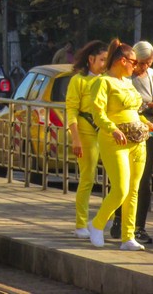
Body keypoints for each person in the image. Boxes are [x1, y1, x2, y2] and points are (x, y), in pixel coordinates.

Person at [87, 39, 153, 251]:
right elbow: (98, 113)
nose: (136, 67)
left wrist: (147, 123)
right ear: (122, 60)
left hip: (137, 139)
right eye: (133, 62)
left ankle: (128, 237)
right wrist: (112, 129)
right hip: (115, 140)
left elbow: (134, 112)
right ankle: (97, 224)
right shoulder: (103, 82)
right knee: (121, 188)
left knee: (134, 189)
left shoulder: (127, 83)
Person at [110, 40, 153, 243]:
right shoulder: (124, 78)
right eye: (142, 63)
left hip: (149, 130)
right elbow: (122, 106)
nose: (144, 67)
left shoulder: (152, 76)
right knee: (125, 179)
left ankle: (139, 227)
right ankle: (119, 219)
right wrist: (147, 105)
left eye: (149, 63)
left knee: (144, 180)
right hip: (128, 129)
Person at [65, 40, 107, 239]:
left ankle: (108, 221)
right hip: (86, 130)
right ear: (91, 59)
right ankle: (81, 223)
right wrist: (76, 139)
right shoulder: (78, 80)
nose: (104, 64)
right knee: (88, 178)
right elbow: (71, 110)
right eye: (102, 59)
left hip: (106, 130)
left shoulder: (108, 80)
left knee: (118, 180)